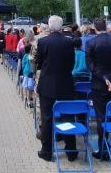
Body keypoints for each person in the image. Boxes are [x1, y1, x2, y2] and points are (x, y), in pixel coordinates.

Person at [36, 15, 77, 162]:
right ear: (60, 27)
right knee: (67, 116)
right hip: (65, 84)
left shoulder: (42, 42)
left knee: (47, 119)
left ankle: (47, 152)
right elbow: (72, 63)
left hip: (47, 84)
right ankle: (71, 151)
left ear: (49, 25)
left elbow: (39, 63)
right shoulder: (69, 42)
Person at [86, 18, 111, 161]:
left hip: (99, 83)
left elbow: (91, 66)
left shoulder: (91, 42)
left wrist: (105, 79)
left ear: (94, 28)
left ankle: (103, 150)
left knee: (100, 117)